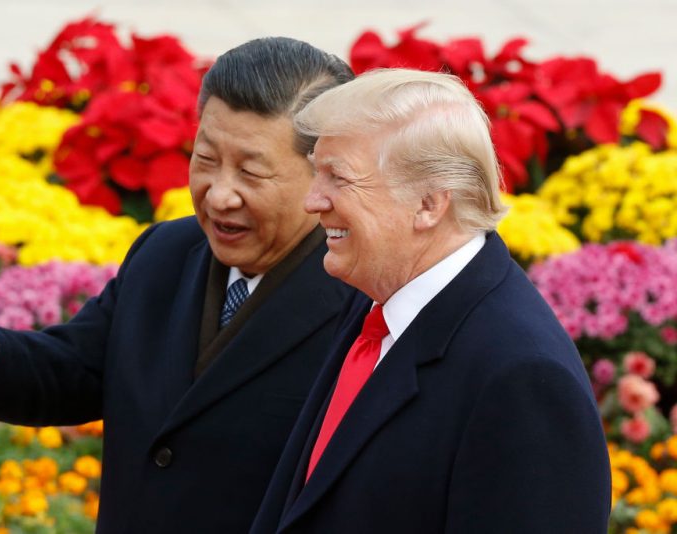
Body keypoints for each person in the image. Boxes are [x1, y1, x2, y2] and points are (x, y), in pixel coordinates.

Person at [0, 37, 355, 533]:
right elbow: (80, 367)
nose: (220, 194)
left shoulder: (362, 297)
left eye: (251, 172)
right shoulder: (166, 253)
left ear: (324, 174)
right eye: (206, 160)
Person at [249, 68, 611, 534]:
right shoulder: (379, 295)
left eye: (337, 178)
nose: (313, 201)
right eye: (317, 172)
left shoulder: (524, 379)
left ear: (428, 204)